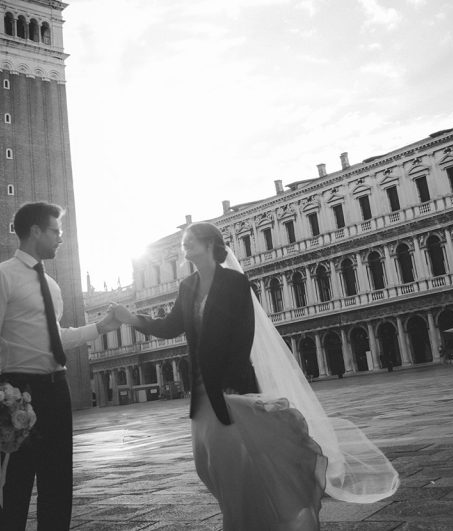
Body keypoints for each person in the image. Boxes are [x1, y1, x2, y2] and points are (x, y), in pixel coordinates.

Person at [114, 222, 399, 530]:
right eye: (183, 243)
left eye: (189, 242)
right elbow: (171, 325)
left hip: (230, 386)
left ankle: (252, 521)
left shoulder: (235, 282)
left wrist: (232, 383)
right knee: (208, 465)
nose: (184, 248)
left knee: (237, 462)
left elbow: (243, 334)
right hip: (200, 388)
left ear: (209, 244)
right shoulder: (188, 287)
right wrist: (133, 319)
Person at [0, 201, 122, 531]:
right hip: (18, 391)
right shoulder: (0, 276)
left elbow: (57, 337)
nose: (60, 239)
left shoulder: (53, 286)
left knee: (58, 483)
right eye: (56, 231)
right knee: (15, 486)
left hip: (57, 388)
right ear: (35, 231)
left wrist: (100, 327)